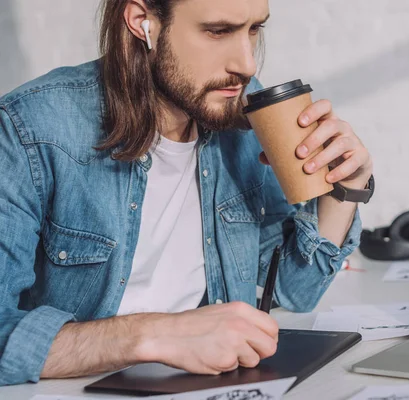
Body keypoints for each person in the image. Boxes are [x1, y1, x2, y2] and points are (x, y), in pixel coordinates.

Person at [0, 0, 373, 386]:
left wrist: (345, 189)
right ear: (142, 22)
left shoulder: (237, 111)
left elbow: (296, 290)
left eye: (254, 29)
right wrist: (152, 334)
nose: (246, 65)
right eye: (217, 31)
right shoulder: (31, 128)